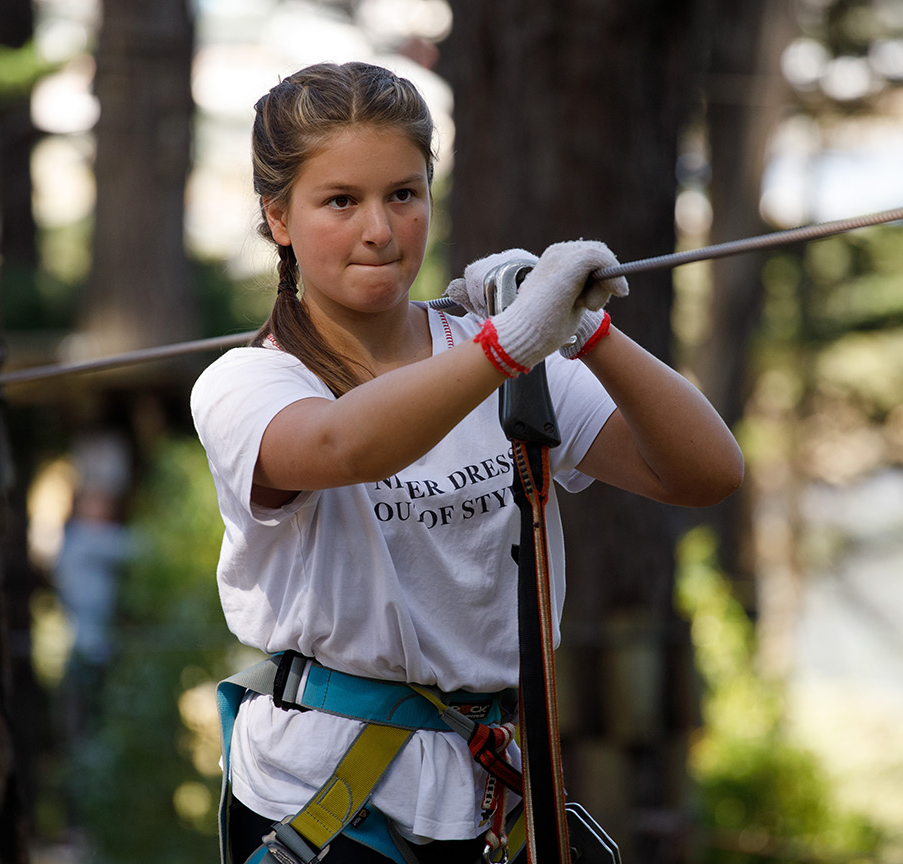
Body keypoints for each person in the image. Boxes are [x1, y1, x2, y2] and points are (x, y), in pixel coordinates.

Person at [191, 61, 743, 864]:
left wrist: (586, 332)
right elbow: (341, 444)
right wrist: (510, 342)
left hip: (485, 796)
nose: (379, 230)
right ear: (278, 217)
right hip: (320, 800)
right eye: (340, 201)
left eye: (403, 194)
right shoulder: (250, 383)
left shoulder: (501, 359)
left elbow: (705, 472)